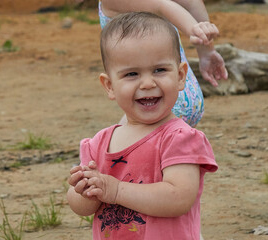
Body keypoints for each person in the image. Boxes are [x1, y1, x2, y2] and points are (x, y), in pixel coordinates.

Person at [67, 12, 218, 239]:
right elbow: (82, 208)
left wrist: (115, 190)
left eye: (159, 70)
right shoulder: (98, 143)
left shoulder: (179, 138)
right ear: (109, 86)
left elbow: (178, 198)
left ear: (180, 76)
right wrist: (85, 190)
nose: (147, 83)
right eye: (132, 74)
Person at [96, 0, 228, 127]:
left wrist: (206, 49)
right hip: (148, 107)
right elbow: (161, 6)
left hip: (174, 90)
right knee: (133, 146)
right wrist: (194, 30)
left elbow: (192, 2)